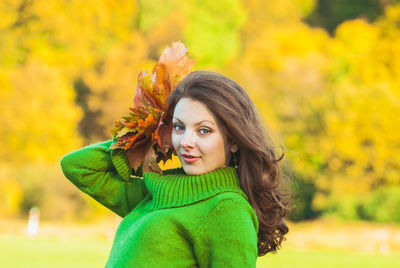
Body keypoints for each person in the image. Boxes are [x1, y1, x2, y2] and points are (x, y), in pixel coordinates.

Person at [61, 70, 290, 267]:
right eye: (179, 127)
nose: (186, 141)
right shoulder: (155, 191)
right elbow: (77, 167)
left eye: (204, 130)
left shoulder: (228, 208)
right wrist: (145, 135)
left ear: (235, 141)